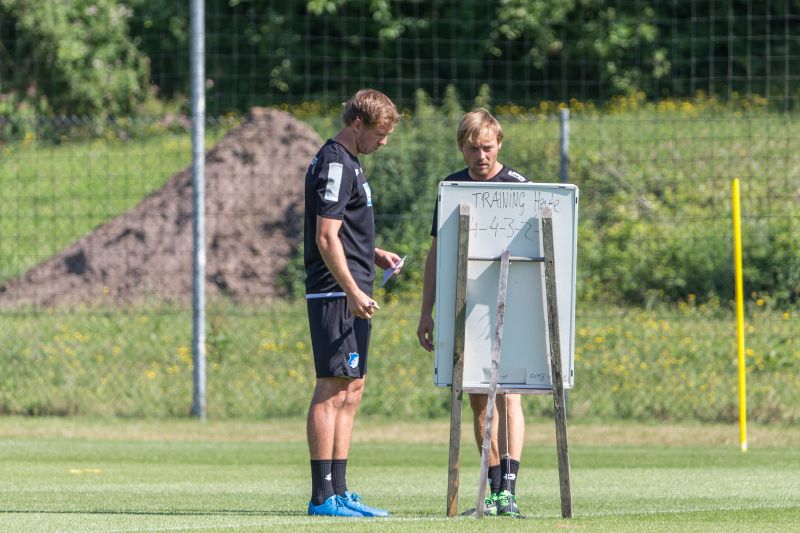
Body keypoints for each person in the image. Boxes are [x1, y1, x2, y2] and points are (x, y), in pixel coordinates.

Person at [417, 108, 528, 518]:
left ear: (499, 144)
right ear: (461, 149)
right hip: (465, 306)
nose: (480, 156)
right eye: (472, 149)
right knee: (478, 397)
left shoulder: (519, 186)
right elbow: (437, 251)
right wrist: (426, 311)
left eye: (487, 147)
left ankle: (509, 490)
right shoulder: (451, 188)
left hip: (513, 305)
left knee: (510, 394)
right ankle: (493, 490)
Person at [303, 89, 403, 517]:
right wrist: (351, 289)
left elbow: (342, 231)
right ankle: (322, 496)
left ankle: (340, 490)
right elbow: (326, 237)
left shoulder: (351, 162)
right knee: (332, 387)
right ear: (357, 124)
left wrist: (372, 254)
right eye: (379, 133)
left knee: (352, 386)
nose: (384, 141)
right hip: (335, 292)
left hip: (352, 288)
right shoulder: (335, 163)